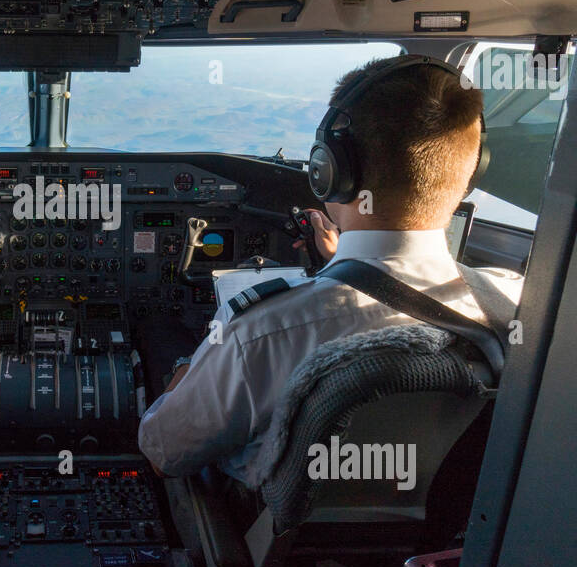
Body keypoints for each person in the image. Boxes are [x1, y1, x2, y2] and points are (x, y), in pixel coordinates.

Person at [138, 55, 522, 483]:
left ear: (331, 171)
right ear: (471, 172)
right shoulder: (520, 304)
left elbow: (164, 455)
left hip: (264, 537)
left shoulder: (260, 333)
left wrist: (194, 362)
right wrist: (341, 267)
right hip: (444, 537)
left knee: (159, 331)